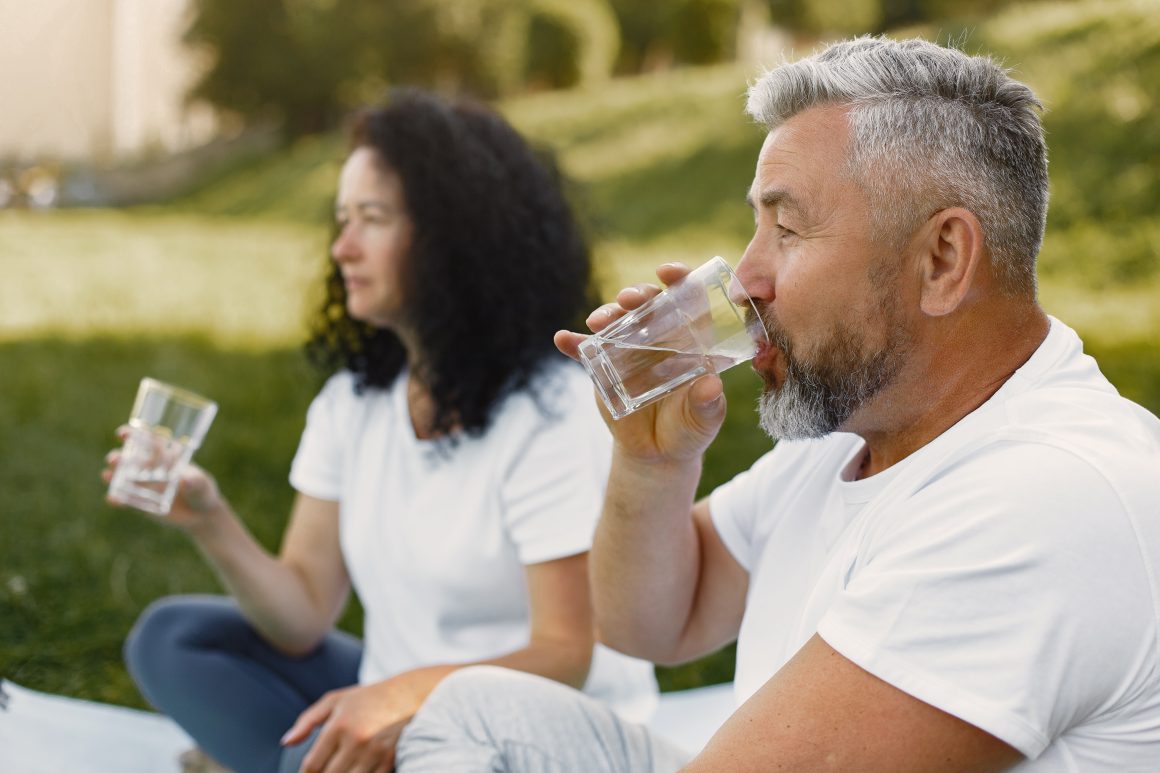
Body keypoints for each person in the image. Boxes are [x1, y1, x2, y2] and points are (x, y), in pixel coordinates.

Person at [388, 37, 1160, 772]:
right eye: (755, 226)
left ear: (943, 259)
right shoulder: (863, 427)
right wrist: (652, 464)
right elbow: (652, 623)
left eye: (787, 228)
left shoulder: (1044, 501)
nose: (745, 278)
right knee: (472, 711)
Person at [103, 88, 657, 773]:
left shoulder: (551, 411)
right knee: (174, 638)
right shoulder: (353, 403)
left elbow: (566, 653)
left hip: (540, 731)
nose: (342, 247)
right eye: (342, 219)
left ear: (452, 237)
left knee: (321, 751)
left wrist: (398, 699)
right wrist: (208, 518)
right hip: (397, 700)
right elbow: (302, 614)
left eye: (372, 218)